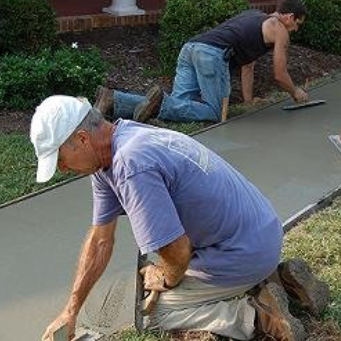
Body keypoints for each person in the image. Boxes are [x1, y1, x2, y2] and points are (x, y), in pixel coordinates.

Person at [31, 95, 328, 341]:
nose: (64, 170)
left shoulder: (132, 165)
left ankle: (259, 316)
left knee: (155, 315)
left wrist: (166, 277)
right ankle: (275, 279)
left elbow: (176, 251)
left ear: (82, 139)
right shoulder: (120, 144)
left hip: (243, 251)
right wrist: (72, 308)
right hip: (258, 231)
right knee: (161, 276)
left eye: (60, 160)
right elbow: (100, 240)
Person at [95, 0, 309, 123]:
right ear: (289, 17)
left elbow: (248, 65)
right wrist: (295, 92)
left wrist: (248, 100)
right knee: (214, 113)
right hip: (211, 55)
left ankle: (113, 99)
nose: (296, 30)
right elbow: (280, 74)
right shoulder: (279, 29)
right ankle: (157, 102)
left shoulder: (253, 15)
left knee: (177, 108)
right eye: (298, 24)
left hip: (190, 48)